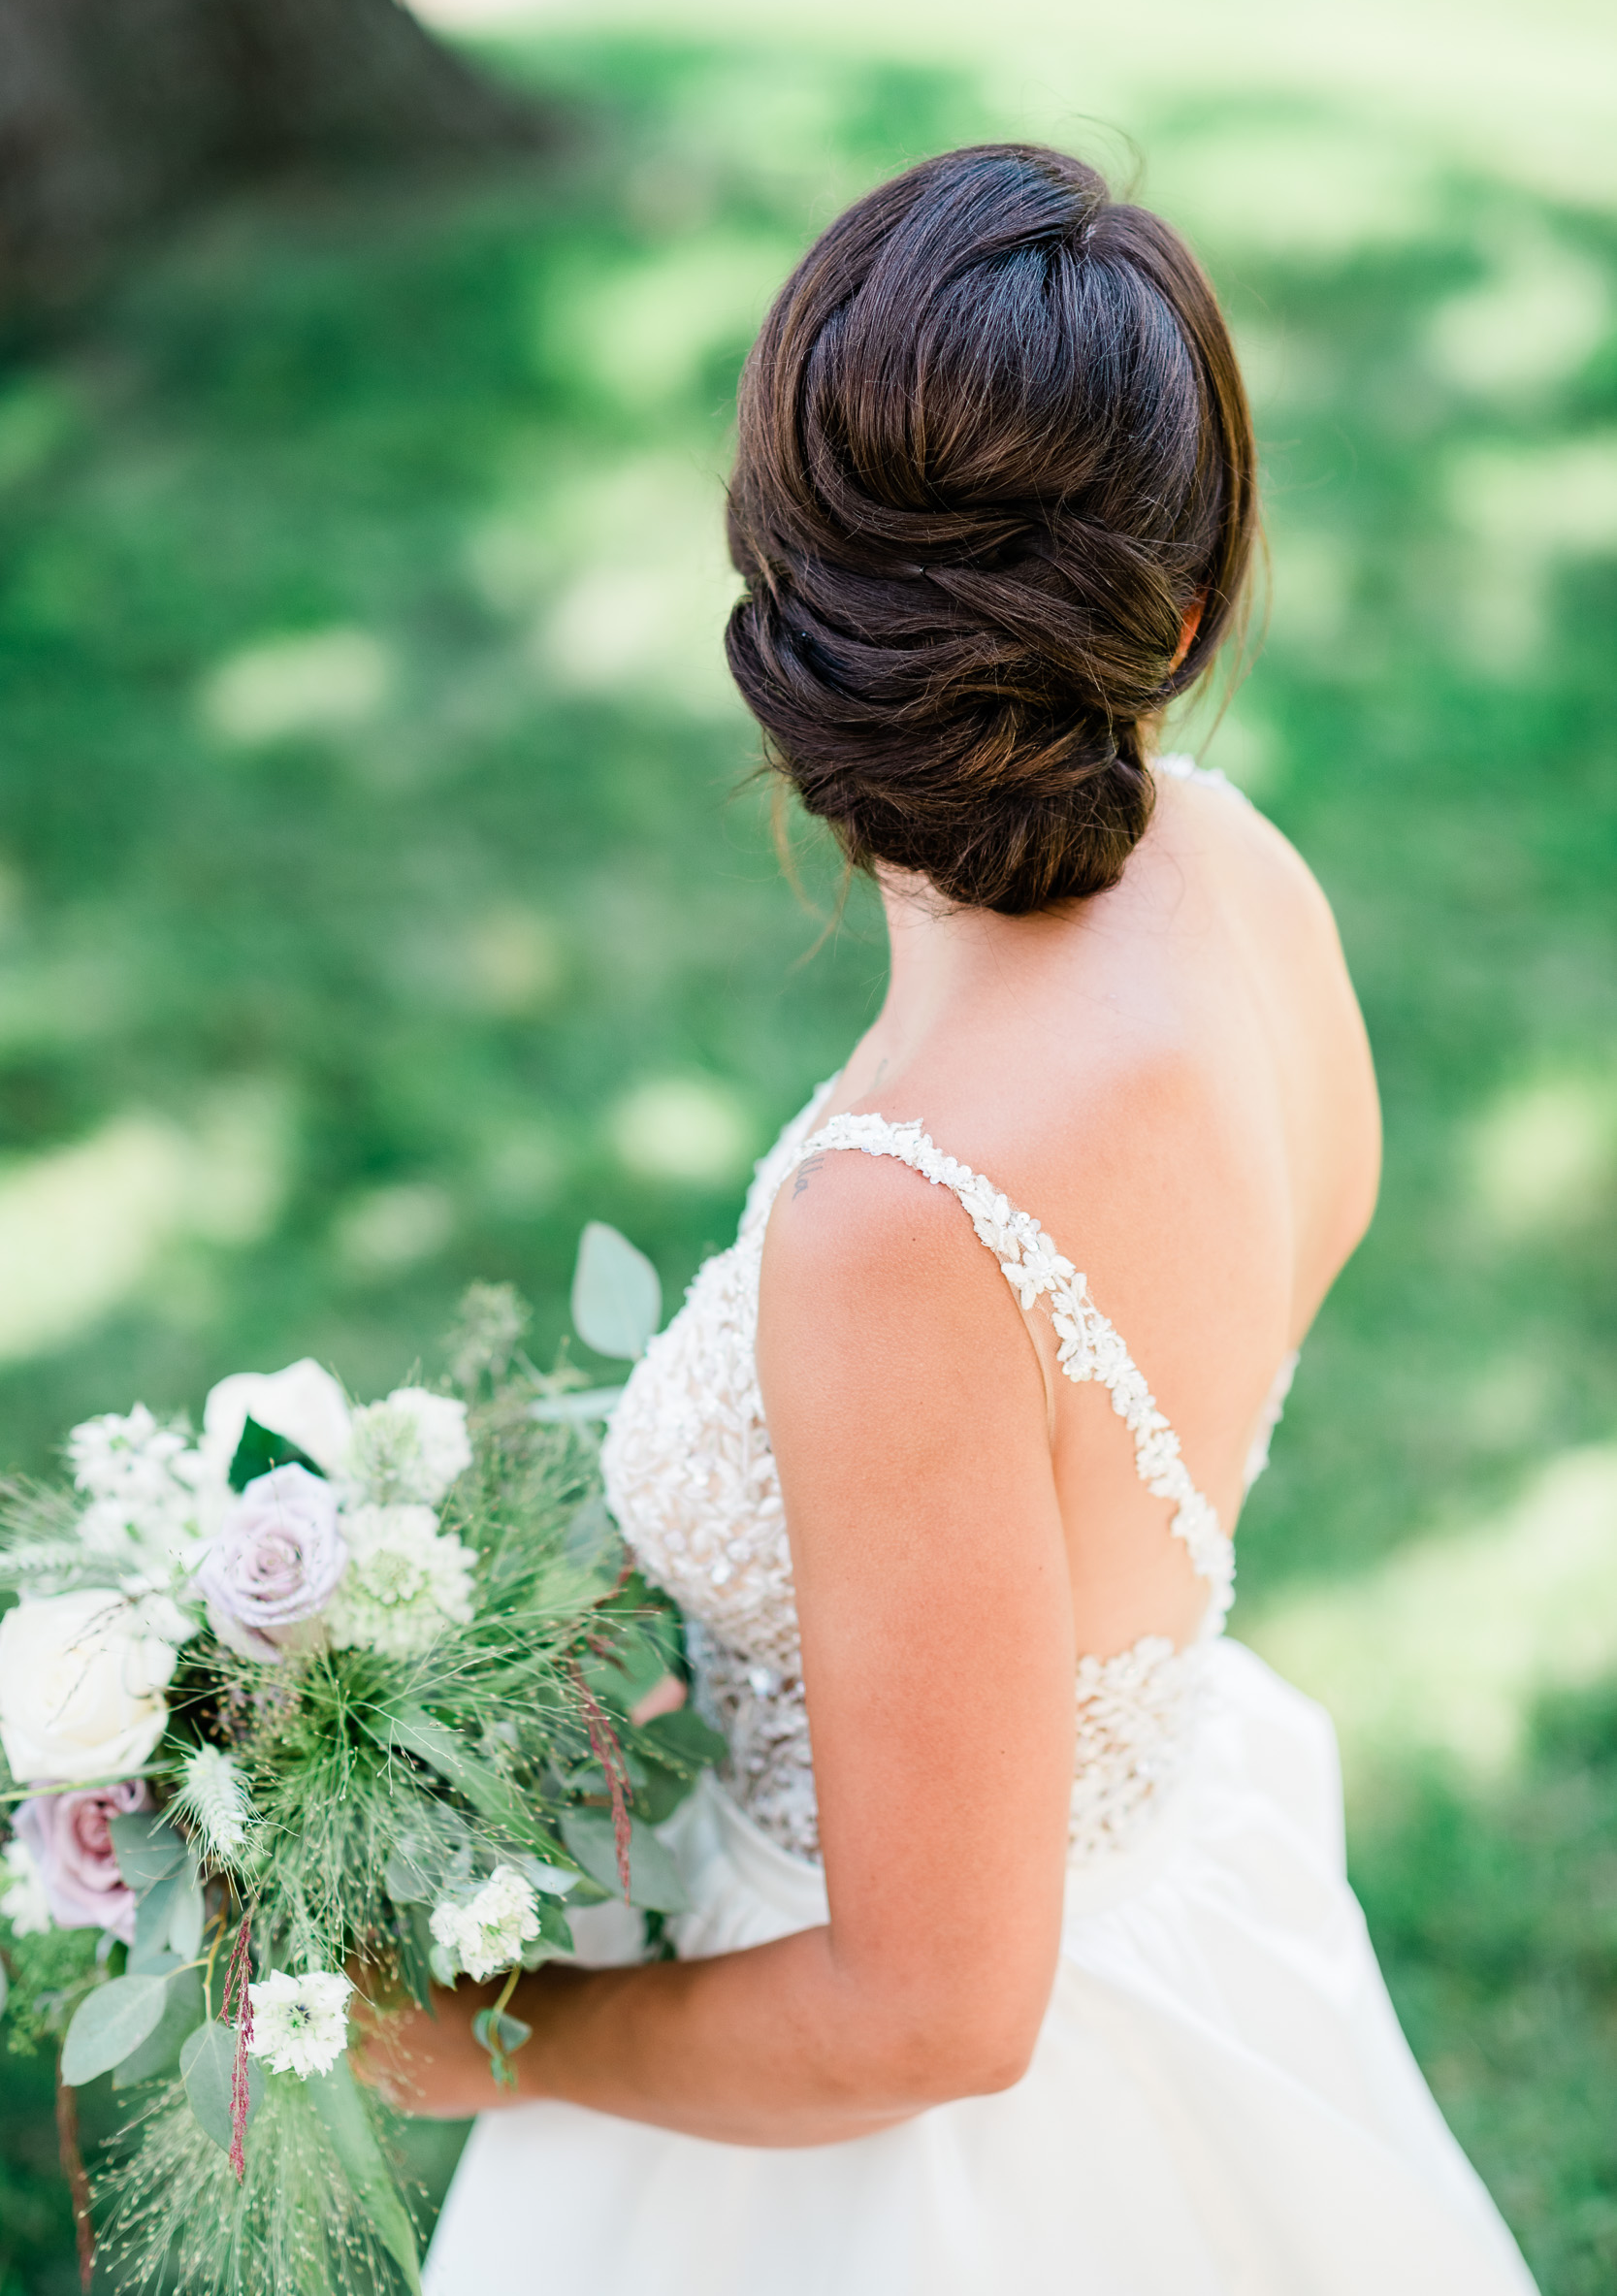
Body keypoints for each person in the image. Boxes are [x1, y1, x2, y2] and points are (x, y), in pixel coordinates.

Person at [367, 146, 1538, 2294]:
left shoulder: (897, 1220)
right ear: (1177, 612)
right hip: (1180, 1905)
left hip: (909, 2183)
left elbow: (933, 2004)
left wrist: (500, 2039)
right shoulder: (1242, 874)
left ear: (775, 604)